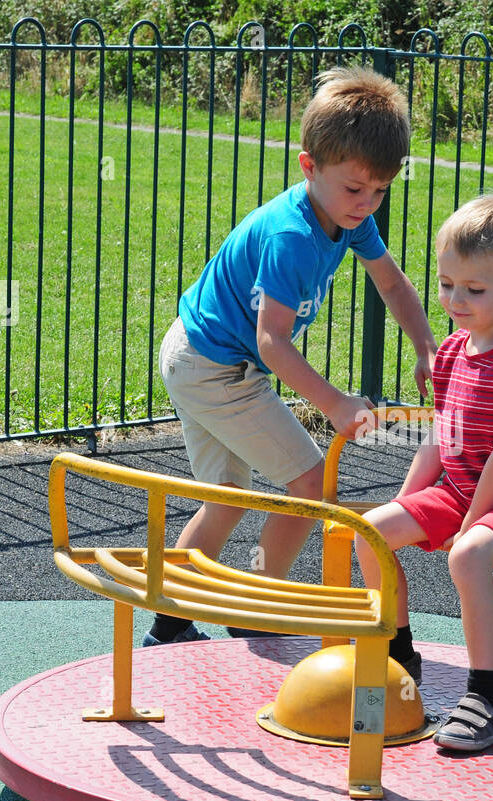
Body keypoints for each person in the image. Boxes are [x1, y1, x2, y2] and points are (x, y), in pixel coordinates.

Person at [146, 65, 437, 646]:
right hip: (216, 367)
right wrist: (333, 402)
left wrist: (427, 346)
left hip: (198, 355)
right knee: (309, 479)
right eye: (356, 189)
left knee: (226, 500)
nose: (367, 203)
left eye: (381, 190)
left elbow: (394, 285)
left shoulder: (346, 217)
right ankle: (254, 604)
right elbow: (271, 341)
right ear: (309, 165)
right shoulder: (294, 236)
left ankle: (168, 624)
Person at [353, 193, 493, 750]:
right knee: (369, 532)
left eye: (474, 290)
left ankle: (486, 698)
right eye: (446, 283)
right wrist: (402, 506)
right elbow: (441, 435)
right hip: (465, 487)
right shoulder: (454, 349)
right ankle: (398, 653)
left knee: (467, 554)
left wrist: (469, 525)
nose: (455, 299)